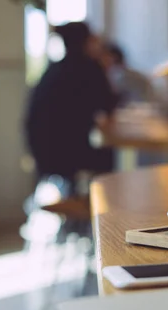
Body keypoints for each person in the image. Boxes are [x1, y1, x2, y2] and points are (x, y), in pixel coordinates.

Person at [24, 22, 117, 191]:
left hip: (44, 154)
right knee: (112, 156)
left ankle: (79, 203)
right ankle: (101, 207)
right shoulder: (90, 67)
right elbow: (109, 107)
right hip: (69, 155)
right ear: (86, 42)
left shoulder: (54, 69)